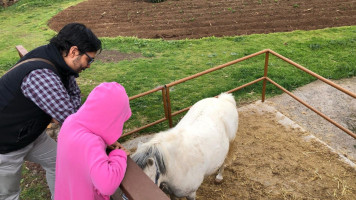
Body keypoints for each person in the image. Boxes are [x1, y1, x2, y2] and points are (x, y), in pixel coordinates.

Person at [0, 23, 102, 199]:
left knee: (60, 164)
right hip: (6, 145)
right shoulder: (41, 75)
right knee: (8, 195)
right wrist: (103, 141)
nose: (89, 66)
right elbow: (71, 118)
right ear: (74, 51)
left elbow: (74, 97)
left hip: (30, 134)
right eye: (89, 60)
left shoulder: (57, 59)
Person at [54, 82, 131, 200]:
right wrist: (119, 155)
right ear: (112, 118)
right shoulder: (91, 142)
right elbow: (107, 186)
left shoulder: (71, 121)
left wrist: (105, 141)